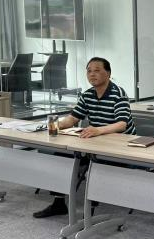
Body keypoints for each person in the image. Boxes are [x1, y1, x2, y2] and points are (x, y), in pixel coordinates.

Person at [33, 57, 136, 218]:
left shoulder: (119, 94)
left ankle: (90, 212)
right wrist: (55, 125)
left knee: (97, 166)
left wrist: (98, 130)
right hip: (96, 142)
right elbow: (72, 119)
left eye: (97, 70)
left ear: (108, 73)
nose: (92, 74)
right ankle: (59, 204)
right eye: (89, 71)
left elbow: (122, 124)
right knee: (61, 157)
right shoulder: (87, 95)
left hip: (120, 146)